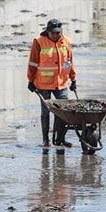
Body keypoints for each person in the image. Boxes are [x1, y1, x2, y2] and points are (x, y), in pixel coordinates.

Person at [27, 18, 77, 150]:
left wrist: (73, 79)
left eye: (58, 32)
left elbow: (69, 62)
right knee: (46, 112)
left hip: (61, 83)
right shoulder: (39, 42)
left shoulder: (66, 42)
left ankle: (60, 139)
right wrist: (31, 80)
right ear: (48, 31)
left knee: (63, 112)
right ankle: (45, 140)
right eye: (53, 33)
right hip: (43, 84)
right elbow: (32, 63)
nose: (56, 35)